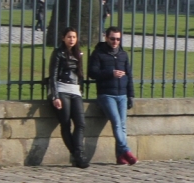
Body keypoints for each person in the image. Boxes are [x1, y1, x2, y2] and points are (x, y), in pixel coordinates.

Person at [90, 26, 137, 166]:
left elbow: (129, 75)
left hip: (122, 94)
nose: (115, 41)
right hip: (106, 94)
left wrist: (131, 95)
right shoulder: (98, 54)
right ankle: (127, 151)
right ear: (106, 38)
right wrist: (111, 73)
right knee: (116, 123)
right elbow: (92, 73)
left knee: (122, 125)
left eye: (118, 39)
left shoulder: (123, 54)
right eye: (112, 39)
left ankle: (120, 156)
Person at [48, 26, 89, 168]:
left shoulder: (78, 53)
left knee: (81, 123)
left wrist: (81, 89)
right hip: (62, 89)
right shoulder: (58, 53)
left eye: (74, 37)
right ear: (63, 38)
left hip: (75, 90)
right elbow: (53, 75)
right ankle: (78, 155)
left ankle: (77, 154)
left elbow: (80, 73)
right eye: (69, 37)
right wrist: (55, 96)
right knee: (66, 124)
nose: (71, 40)